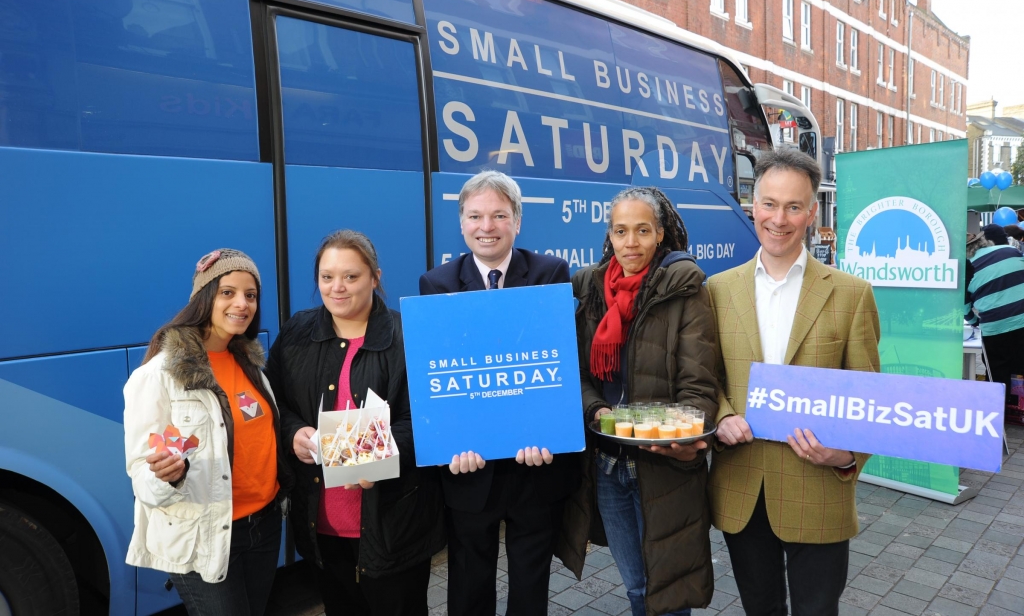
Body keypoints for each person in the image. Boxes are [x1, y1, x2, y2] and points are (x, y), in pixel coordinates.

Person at [707, 148, 880, 616]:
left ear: (812, 212)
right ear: (752, 205)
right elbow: (707, 377)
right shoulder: (717, 290)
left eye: (793, 206)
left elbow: (868, 397)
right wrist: (721, 417)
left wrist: (846, 456)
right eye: (768, 204)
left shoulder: (851, 294)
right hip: (744, 485)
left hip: (818, 487)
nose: (778, 219)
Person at [418, 170, 579, 616]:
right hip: (470, 469)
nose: (486, 226)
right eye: (475, 216)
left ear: (517, 222)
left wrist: (547, 430)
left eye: (498, 215)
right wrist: (452, 444)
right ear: (462, 223)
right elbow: (441, 378)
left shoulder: (550, 273)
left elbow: (554, 368)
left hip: (535, 465)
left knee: (531, 585)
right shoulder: (437, 284)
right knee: (469, 585)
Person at [267, 230, 445, 616]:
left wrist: (370, 453)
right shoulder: (297, 332)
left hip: (392, 525)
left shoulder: (407, 335)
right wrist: (293, 432)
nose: (337, 288)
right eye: (327, 277)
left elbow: (429, 418)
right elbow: (275, 403)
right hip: (322, 526)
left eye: (351, 276)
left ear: (375, 278)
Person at [559, 187, 718, 616]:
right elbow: (576, 373)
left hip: (663, 463)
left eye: (643, 231)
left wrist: (686, 437)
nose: (631, 243)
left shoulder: (686, 290)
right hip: (609, 464)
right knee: (636, 587)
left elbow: (699, 383)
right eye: (621, 231)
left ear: (660, 234)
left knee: (667, 590)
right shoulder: (590, 290)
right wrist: (597, 411)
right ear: (609, 236)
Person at [124, 249, 292, 616]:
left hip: (263, 527)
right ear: (204, 298)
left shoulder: (252, 366)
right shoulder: (158, 375)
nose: (242, 304)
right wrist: (166, 478)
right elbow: (141, 474)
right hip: (209, 532)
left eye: (250, 295)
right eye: (227, 292)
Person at [965, 223, 1024, 411]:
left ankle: (998, 414)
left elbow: (965, 307)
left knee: (997, 375)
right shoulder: (1010, 250)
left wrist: (975, 322)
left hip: (995, 329)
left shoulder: (967, 267)